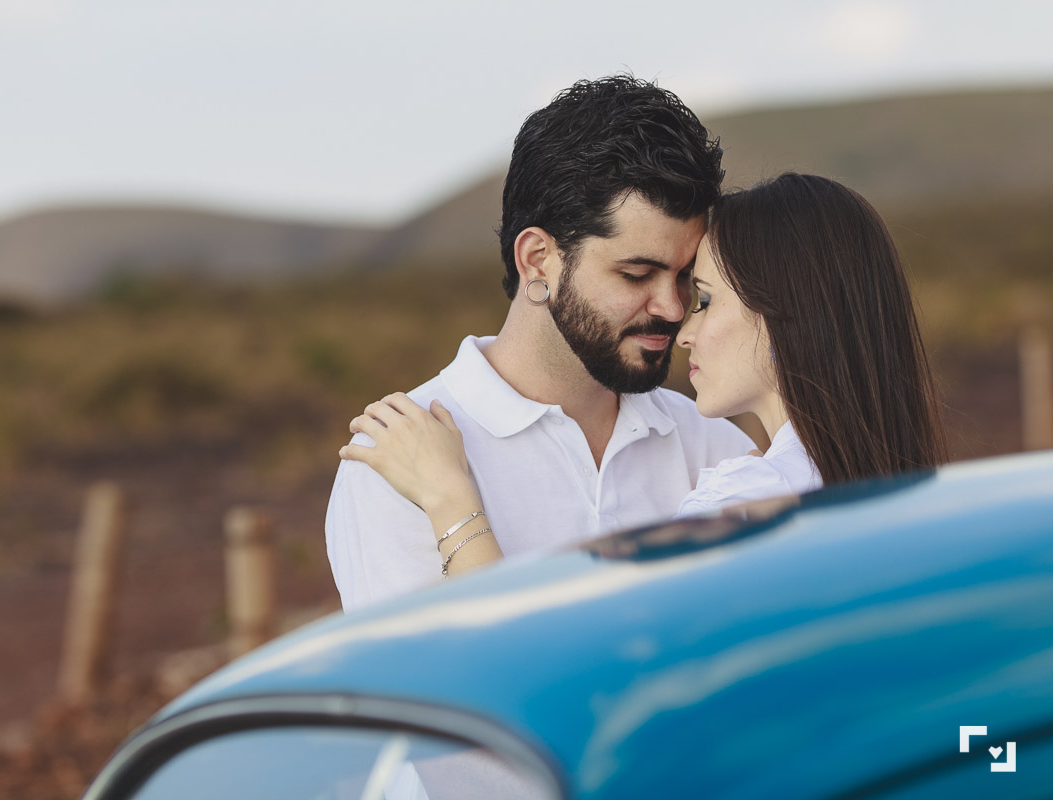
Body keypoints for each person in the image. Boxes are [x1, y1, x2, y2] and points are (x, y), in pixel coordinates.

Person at [341, 173, 948, 577]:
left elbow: (582, 686)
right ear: (537, 260)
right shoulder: (916, 503)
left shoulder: (740, 494)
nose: (677, 318)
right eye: (636, 273)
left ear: (786, 317)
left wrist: (451, 503)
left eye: (699, 294)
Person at [325, 75, 755, 612]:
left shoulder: (717, 450)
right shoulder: (396, 460)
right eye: (637, 273)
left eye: (684, 276)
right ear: (536, 259)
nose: (672, 307)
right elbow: (423, 685)